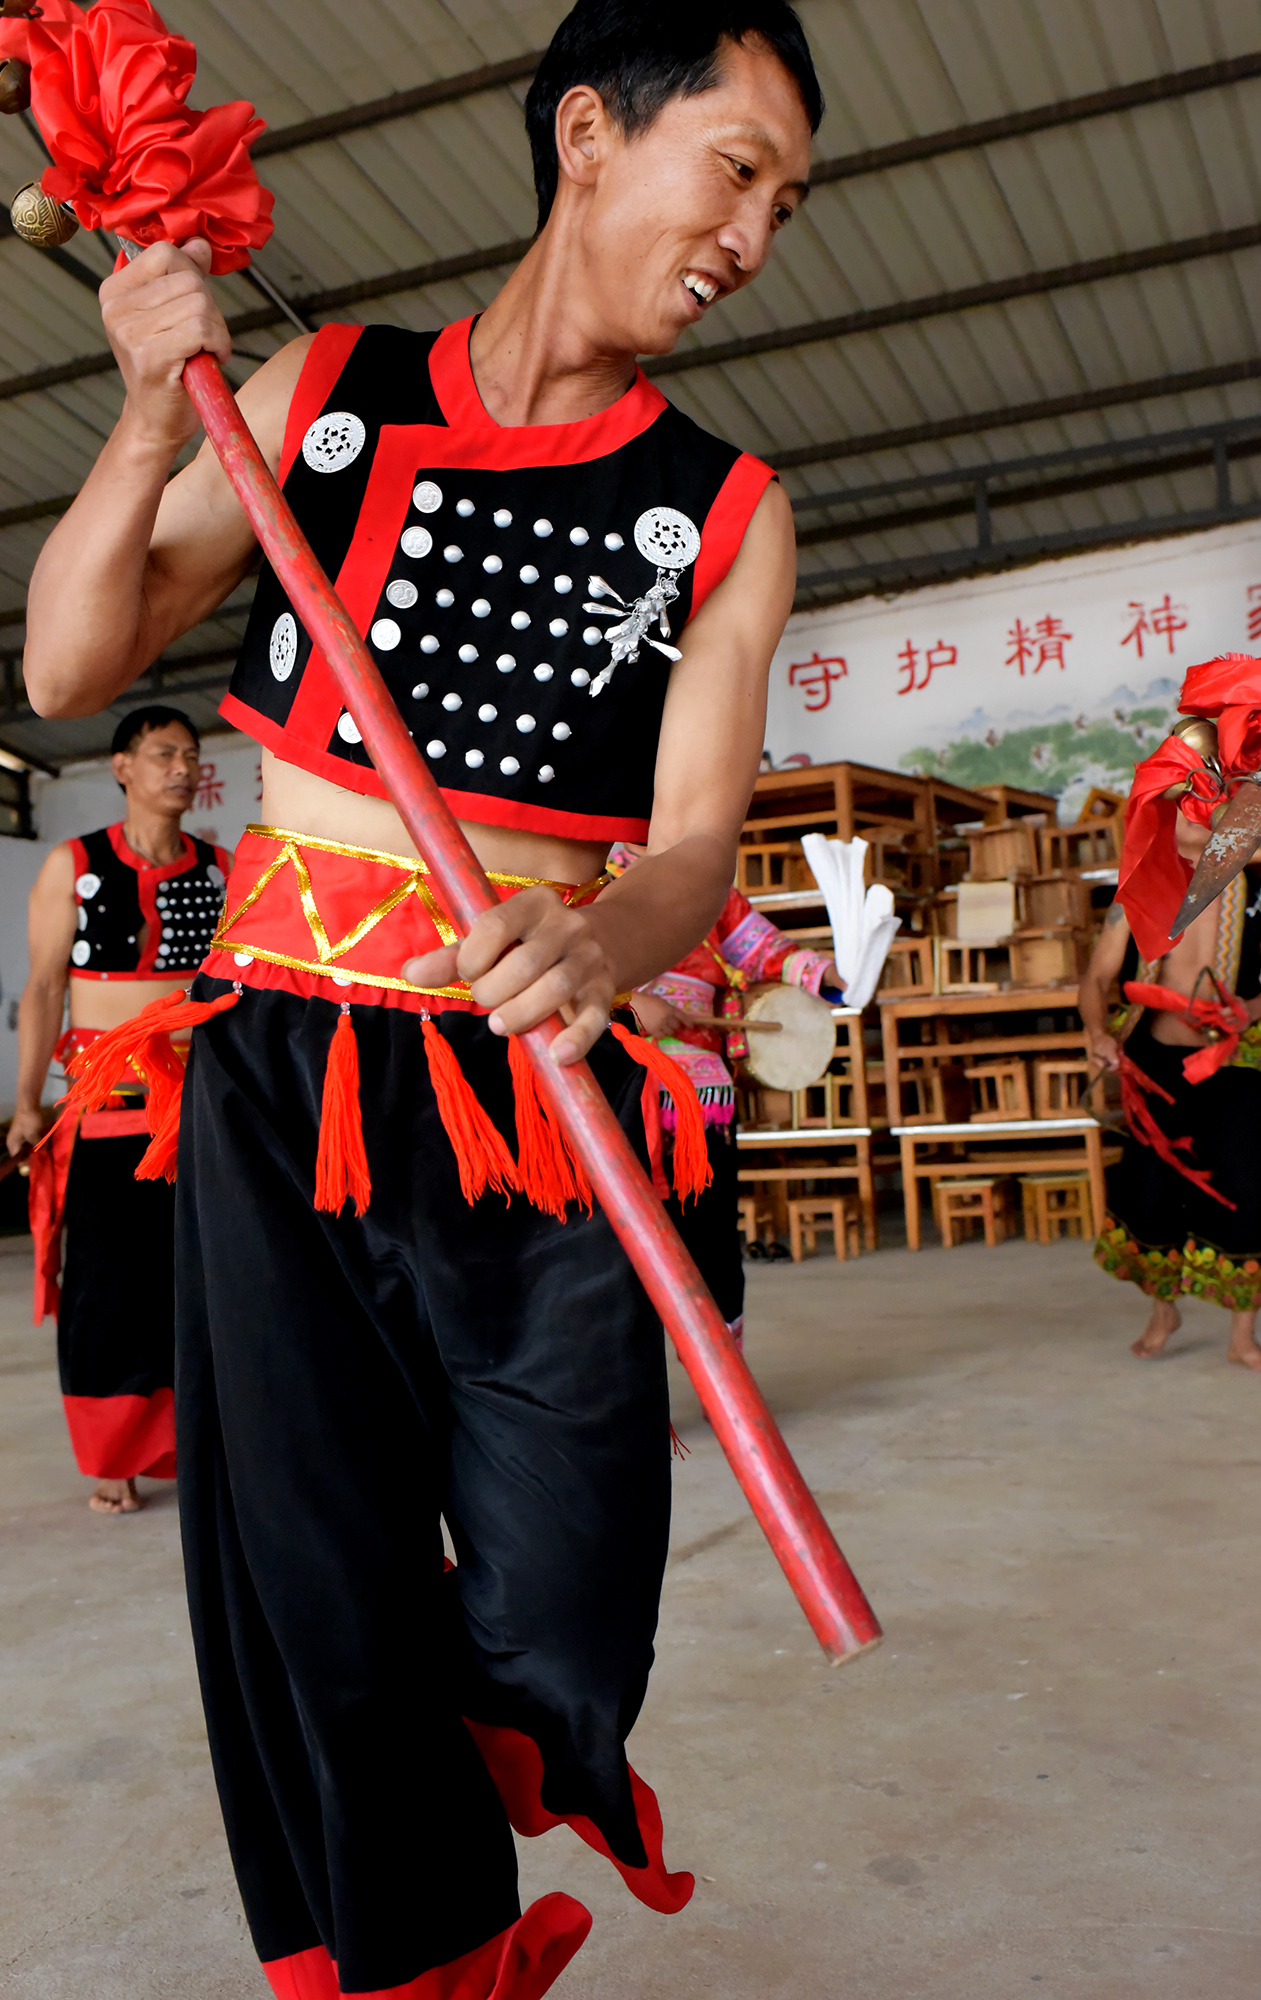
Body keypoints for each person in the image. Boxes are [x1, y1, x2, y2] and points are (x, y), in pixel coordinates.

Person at [21, 5, 821, 1995]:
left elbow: (700, 848)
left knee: (564, 1605)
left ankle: (478, 1772)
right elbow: (67, 666)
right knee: (316, 1580)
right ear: (586, 133)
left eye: (791, 203)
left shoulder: (722, 511)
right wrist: (145, 408)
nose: (757, 232)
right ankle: (421, 1957)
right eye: (737, 166)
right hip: (279, 1062)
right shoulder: (328, 395)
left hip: (536, 1080)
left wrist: (610, 940)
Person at [8, 706, 230, 1512]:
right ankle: (117, 1457)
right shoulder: (74, 865)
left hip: (201, 1105)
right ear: (122, 767)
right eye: (162, 753)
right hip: (107, 1106)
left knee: (201, 1278)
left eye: (190, 755)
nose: (180, 767)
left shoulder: (221, 869)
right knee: (108, 1286)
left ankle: (205, 1441)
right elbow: (42, 991)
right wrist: (28, 1101)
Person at [617, 844, 844, 1335]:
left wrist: (821, 972)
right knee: (616, 1246)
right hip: (612, 1080)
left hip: (699, 1098)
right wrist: (629, 1000)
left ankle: (724, 1376)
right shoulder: (584, 856)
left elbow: (758, 947)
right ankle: (638, 1401)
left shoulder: (696, 869)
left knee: (710, 1235)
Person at [1081, 810, 1261, 1370]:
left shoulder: (1257, 882)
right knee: (1150, 1194)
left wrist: (1249, 1009)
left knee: (1245, 1188)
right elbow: (1096, 979)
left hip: (1236, 1056)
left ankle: (1242, 1333)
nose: (1198, 814)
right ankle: (1165, 1310)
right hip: (1154, 1059)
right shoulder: (1141, 886)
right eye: (1185, 803)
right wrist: (1095, 1031)